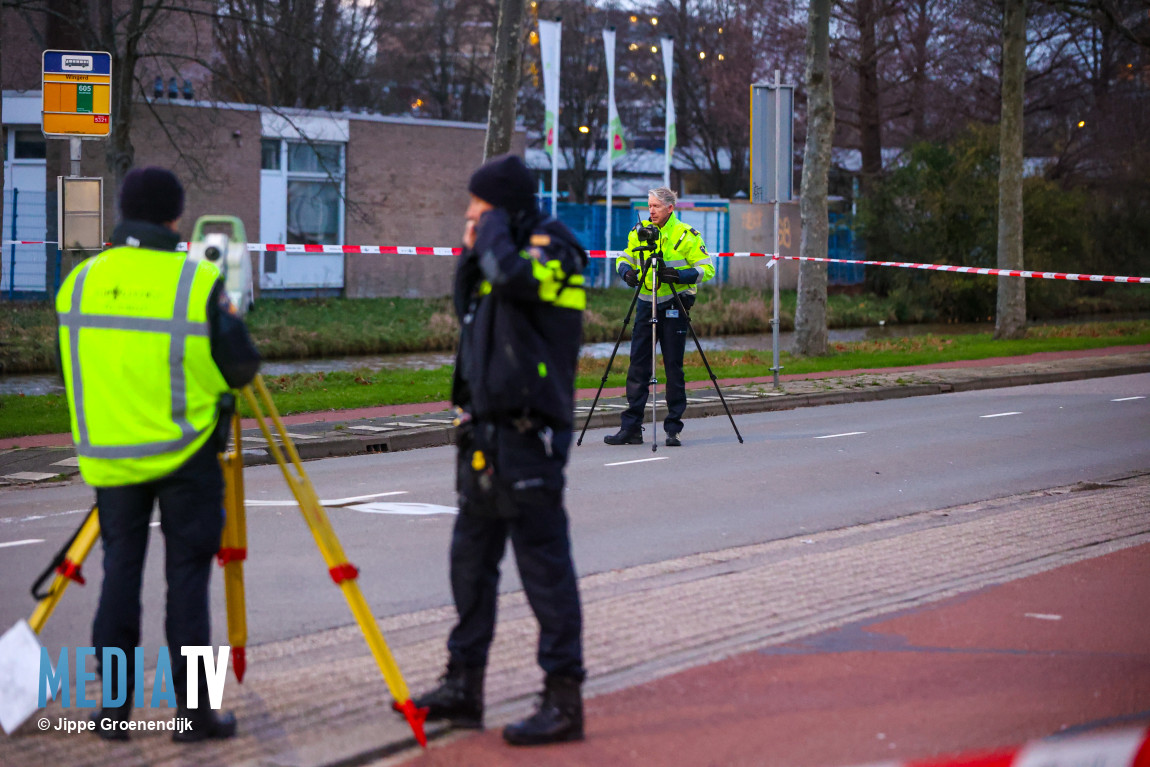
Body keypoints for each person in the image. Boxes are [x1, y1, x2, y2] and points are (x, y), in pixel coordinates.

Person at [55, 166, 260, 742]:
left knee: (120, 574)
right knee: (187, 581)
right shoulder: (198, 280)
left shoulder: (80, 280)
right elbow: (240, 365)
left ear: (123, 212)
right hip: (185, 451)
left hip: (112, 456)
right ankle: (194, 716)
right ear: (177, 217)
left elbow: (66, 365)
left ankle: (113, 712)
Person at [411, 154, 588, 746]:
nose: (471, 220)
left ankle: (563, 698)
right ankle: (464, 687)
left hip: (528, 436)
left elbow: (518, 283)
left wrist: (490, 235)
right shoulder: (499, 250)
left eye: (478, 210)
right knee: (470, 567)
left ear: (504, 209)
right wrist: (475, 246)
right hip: (483, 437)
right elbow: (472, 308)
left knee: (544, 572)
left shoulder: (554, 247)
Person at [604, 187, 715, 447]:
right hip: (645, 303)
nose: (651, 210)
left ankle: (672, 429)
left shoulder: (685, 235)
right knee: (638, 366)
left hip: (674, 303)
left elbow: (706, 268)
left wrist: (679, 276)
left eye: (655, 206)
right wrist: (626, 273)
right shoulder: (639, 231)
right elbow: (624, 256)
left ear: (670, 208)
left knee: (673, 366)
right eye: (649, 205)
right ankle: (631, 428)